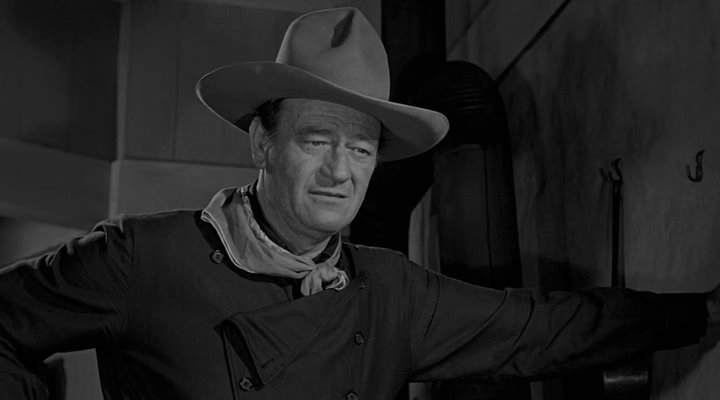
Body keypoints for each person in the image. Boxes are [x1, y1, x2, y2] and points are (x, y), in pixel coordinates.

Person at [1, 7, 718, 400]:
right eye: (316, 140)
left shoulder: (390, 292)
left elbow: (539, 328)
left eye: (363, 148)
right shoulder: (142, 259)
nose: (340, 172)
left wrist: (700, 314)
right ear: (262, 143)